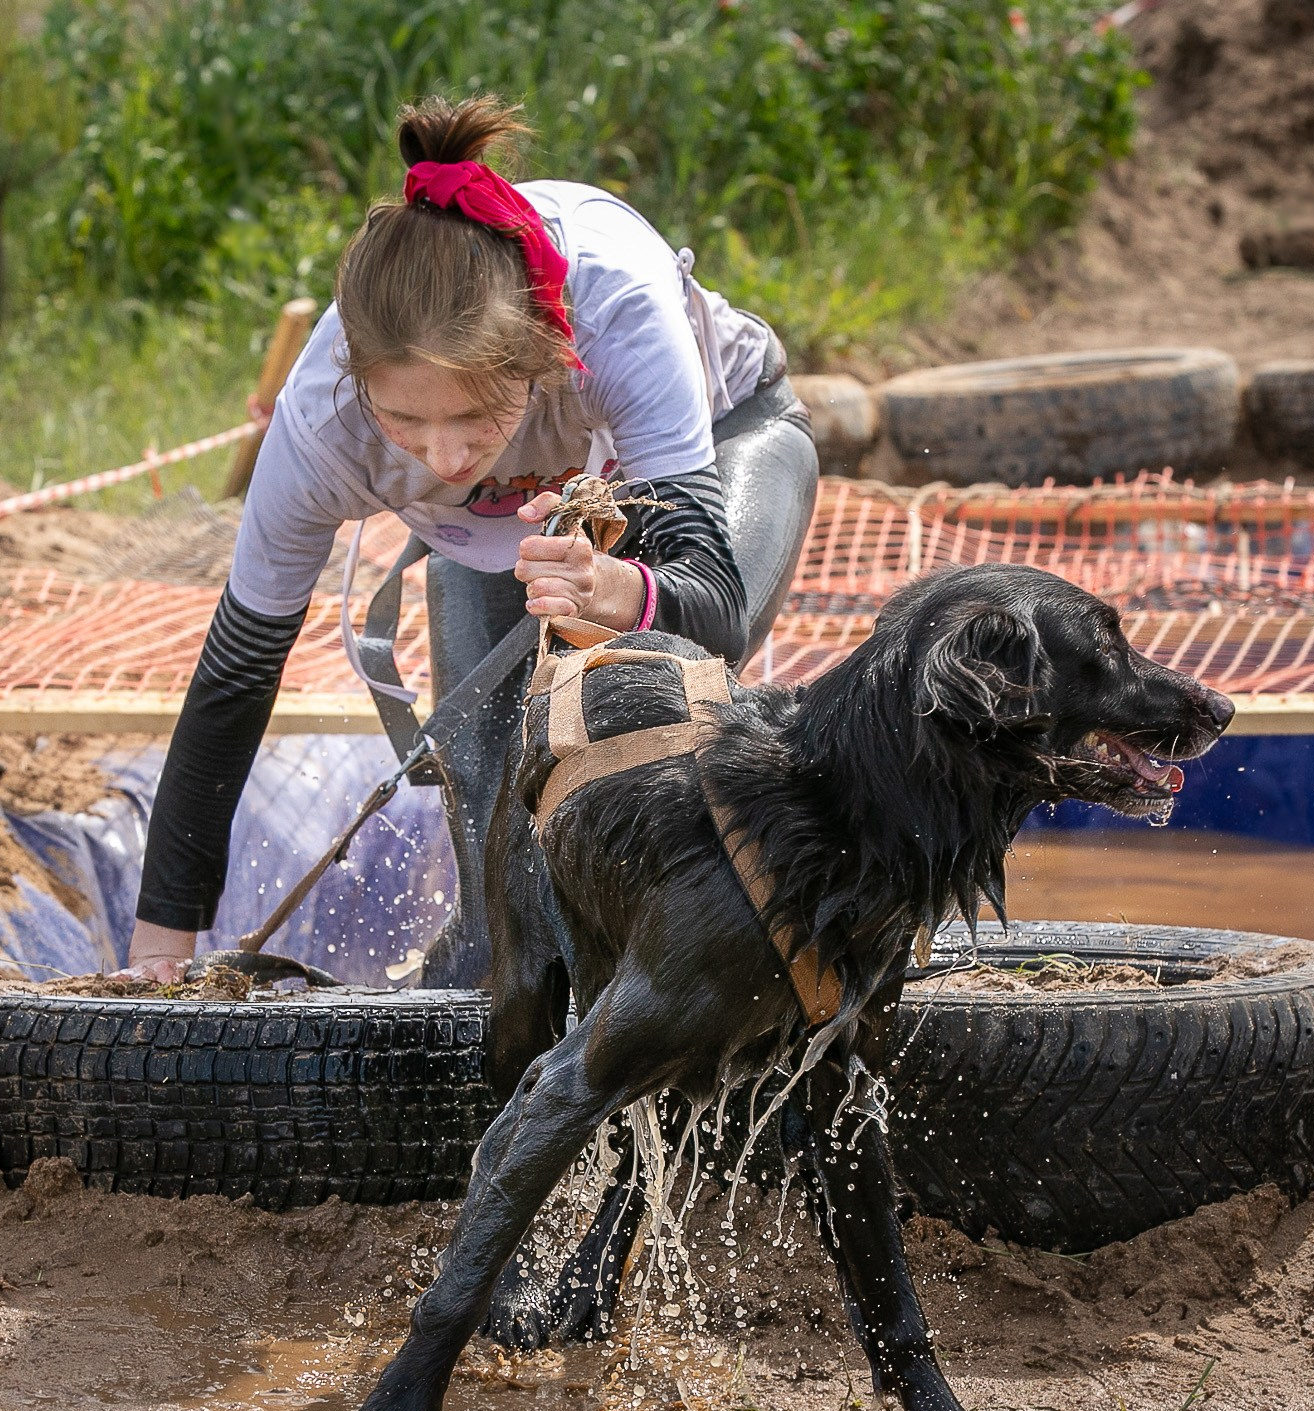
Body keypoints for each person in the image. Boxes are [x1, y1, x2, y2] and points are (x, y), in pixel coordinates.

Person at [124, 94, 818, 986]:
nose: (446, 454)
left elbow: (712, 602)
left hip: (720, 448)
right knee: (501, 880)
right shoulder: (319, 427)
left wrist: (615, 590)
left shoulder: (614, 317)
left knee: (642, 716)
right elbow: (236, 677)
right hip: (502, 533)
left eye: (476, 414)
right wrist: (156, 958)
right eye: (405, 420)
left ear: (540, 360)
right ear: (359, 383)